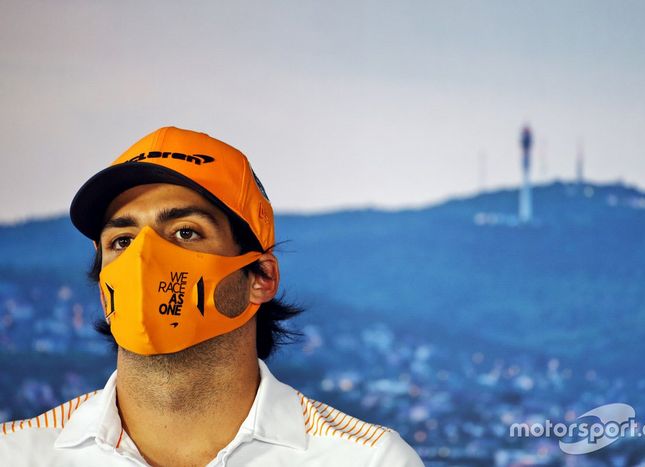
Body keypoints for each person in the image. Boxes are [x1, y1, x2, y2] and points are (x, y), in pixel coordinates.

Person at [0, 127, 423, 466]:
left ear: (261, 276)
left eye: (185, 232)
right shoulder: (16, 455)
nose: (145, 261)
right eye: (123, 241)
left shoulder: (367, 460)